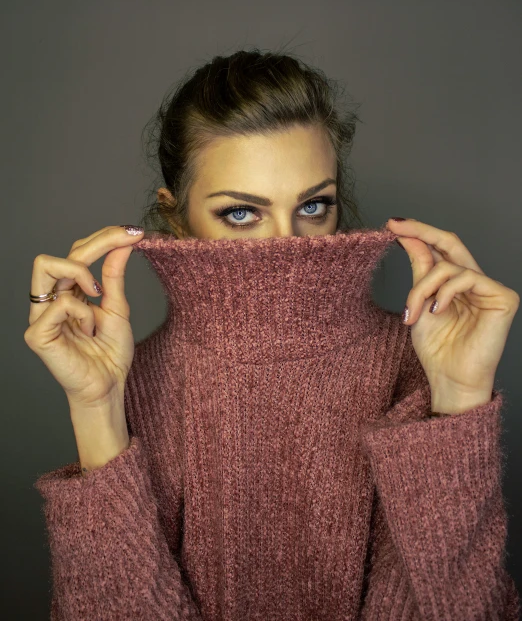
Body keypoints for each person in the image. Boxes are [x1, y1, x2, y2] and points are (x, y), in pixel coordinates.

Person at [26, 49, 519, 620]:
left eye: (314, 205)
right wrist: (95, 409)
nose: (290, 243)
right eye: (241, 213)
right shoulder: (128, 380)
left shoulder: (420, 363)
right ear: (176, 216)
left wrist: (459, 401)